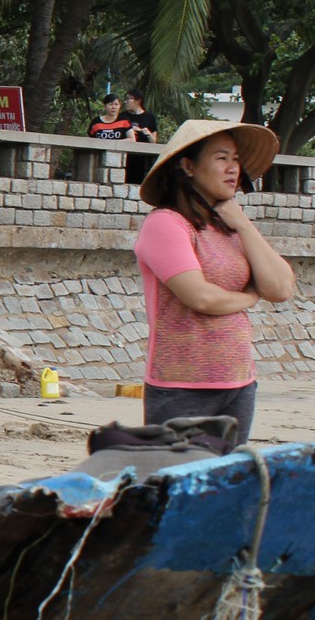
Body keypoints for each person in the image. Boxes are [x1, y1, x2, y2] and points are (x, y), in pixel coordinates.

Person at [133, 118, 297, 445]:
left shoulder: (230, 229)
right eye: (221, 158)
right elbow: (200, 297)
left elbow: (280, 288)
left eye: (235, 159)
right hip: (182, 388)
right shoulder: (166, 224)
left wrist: (243, 224)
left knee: (226, 489)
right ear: (188, 166)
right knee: (179, 489)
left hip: (239, 383)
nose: (233, 168)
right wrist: (250, 298)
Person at [122, 88, 159, 188]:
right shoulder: (123, 116)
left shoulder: (149, 117)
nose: (126, 101)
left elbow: (154, 141)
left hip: (141, 158)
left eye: (129, 99)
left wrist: (147, 133)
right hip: (125, 156)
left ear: (138, 101)